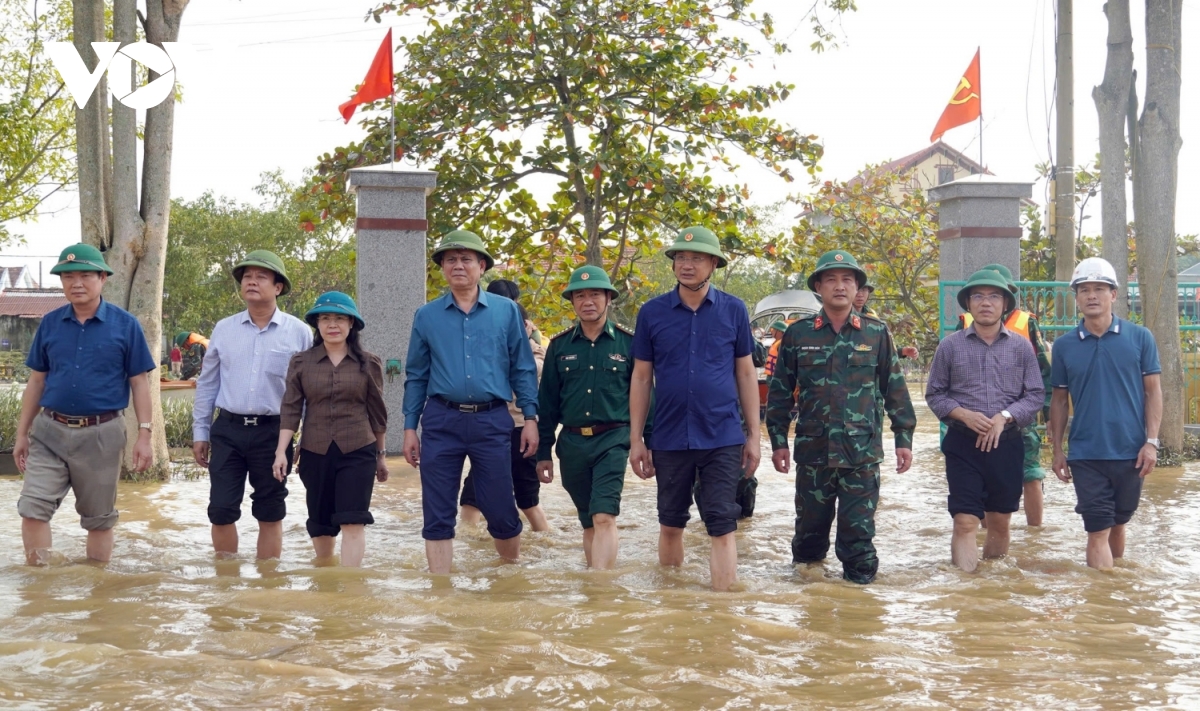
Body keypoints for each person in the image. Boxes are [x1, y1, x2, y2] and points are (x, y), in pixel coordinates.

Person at [767, 250, 916, 584]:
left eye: (847, 279)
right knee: (808, 543)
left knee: (859, 544)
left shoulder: (876, 333)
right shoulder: (798, 334)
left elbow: (894, 389)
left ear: (856, 287)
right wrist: (778, 443)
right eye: (831, 279)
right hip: (813, 453)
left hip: (860, 456)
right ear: (818, 286)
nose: (839, 286)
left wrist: (903, 439)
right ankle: (811, 616)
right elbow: (779, 394)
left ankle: (858, 619)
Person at [629, 226, 761, 592]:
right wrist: (637, 439)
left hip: (722, 434)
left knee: (722, 523)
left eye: (696, 258)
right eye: (681, 258)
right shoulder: (652, 313)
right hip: (669, 436)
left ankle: (723, 614)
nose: (687, 265)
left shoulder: (734, 310)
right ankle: (673, 607)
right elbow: (641, 378)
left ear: (713, 264)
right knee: (671, 522)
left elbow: (746, 373)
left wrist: (754, 436)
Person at [403, 230, 539, 574]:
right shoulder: (427, 316)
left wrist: (532, 419)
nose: (458, 266)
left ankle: (509, 582)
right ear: (443, 269)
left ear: (481, 266)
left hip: (491, 421)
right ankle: (440, 592)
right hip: (440, 421)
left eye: (466, 259)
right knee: (437, 511)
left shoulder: (506, 312)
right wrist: (408, 427)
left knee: (500, 509)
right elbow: (417, 375)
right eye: (451, 260)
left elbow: (523, 368)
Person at [13, 244, 157, 564]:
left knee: (98, 519)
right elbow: (37, 381)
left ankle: (96, 594)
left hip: (101, 434)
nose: (76, 283)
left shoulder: (126, 325)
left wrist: (144, 435)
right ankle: (39, 587)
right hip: (49, 431)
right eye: (67, 277)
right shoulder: (50, 324)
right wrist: (22, 434)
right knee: (33, 509)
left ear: (102, 278)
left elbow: (139, 383)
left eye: (84, 275)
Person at [192, 250, 312, 559]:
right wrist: (200, 432)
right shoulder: (224, 329)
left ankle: (267, 585)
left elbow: (308, 390)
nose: (252, 282)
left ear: (278, 287)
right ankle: (226, 582)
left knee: (270, 511)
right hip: (227, 429)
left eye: (261, 277)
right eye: (247, 277)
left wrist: (306, 436)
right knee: (220, 509)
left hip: (274, 433)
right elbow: (208, 383)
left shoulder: (299, 333)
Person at [926, 269, 1044, 572]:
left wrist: (1003, 418)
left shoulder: (1021, 348)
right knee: (965, 521)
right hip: (963, 444)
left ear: (1005, 304)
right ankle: (966, 588)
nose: (986, 303)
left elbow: (1034, 396)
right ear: (968, 303)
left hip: (1007, 445)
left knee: (1000, 522)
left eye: (994, 296)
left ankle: (992, 586)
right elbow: (935, 394)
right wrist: (962, 413)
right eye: (978, 296)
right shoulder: (950, 347)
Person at [1049, 257, 1161, 570]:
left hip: (1131, 451)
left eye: (1100, 288)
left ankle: (1115, 602)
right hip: (1086, 453)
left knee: (1119, 522)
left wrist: (1151, 442)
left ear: (1113, 294)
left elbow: (1153, 392)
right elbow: (1058, 400)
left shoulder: (1140, 338)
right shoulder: (1064, 346)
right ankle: (1099, 608)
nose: (1092, 295)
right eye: (1084, 289)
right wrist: (1058, 450)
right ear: (1077, 297)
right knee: (1097, 528)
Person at [536, 266, 645, 568]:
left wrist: (649, 443)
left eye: (595, 294)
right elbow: (547, 404)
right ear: (572, 301)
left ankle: (603, 587)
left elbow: (646, 397)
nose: (588, 301)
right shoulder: (558, 346)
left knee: (604, 515)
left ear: (608, 298)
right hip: (571, 444)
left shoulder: (629, 343)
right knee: (588, 522)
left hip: (614, 439)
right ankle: (594, 592)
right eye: (580, 295)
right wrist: (543, 452)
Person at [274, 292, 388, 567]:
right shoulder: (301, 362)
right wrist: (281, 452)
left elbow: (377, 412)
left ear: (351, 324)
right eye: (325, 318)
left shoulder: (368, 363)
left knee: (353, 519)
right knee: (321, 521)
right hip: (315, 451)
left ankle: (351, 587)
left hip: (358, 449)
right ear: (317, 324)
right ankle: (325, 580)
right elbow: (290, 409)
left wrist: (381, 455)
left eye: (339, 318)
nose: (332, 324)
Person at [956, 263, 1052, 526]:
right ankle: (988, 532)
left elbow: (1043, 370)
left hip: (1019, 416)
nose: (990, 300)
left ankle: (1035, 533)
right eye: (981, 294)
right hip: (979, 418)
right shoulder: (964, 324)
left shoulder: (1026, 323)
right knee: (984, 476)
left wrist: (1045, 411)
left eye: (999, 293)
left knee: (1030, 473)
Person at [459, 278, 548, 532]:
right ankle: (469, 545)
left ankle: (544, 540)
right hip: (490, 426)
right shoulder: (483, 341)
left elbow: (534, 370)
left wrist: (526, 341)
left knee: (527, 497)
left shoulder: (533, 350)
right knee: (473, 495)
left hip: (520, 427)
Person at [854, 283, 919, 359]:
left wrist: (902, 351)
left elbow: (880, 351)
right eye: (856, 289)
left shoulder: (872, 315)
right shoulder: (840, 315)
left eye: (864, 290)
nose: (860, 294)